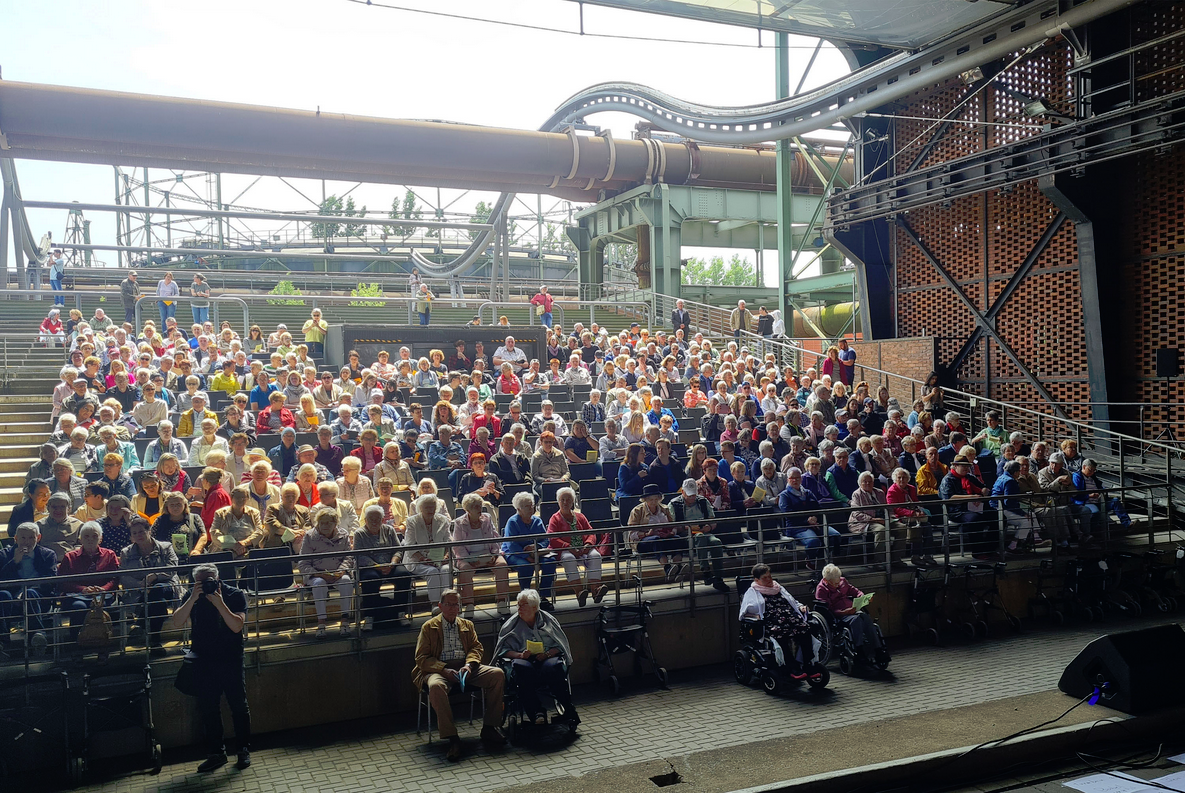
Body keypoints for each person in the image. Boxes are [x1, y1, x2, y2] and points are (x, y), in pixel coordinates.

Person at [168, 563, 251, 772]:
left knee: (238, 705)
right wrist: (193, 598)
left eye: (209, 580)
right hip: (203, 658)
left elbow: (236, 626)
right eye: (201, 582)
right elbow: (177, 621)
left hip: (231, 656)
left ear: (217, 578)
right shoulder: (191, 595)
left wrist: (220, 603)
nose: (206, 585)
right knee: (208, 708)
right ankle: (216, 753)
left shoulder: (234, 594)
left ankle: (243, 750)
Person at [412, 589, 506, 761]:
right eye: (448, 604)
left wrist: (469, 665)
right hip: (438, 670)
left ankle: (490, 727)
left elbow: (476, 648)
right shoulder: (429, 627)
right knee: (436, 686)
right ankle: (452, 738)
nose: (452, 608)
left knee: (497, 674)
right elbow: (421, 658)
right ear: (440, 606)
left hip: (465, 668)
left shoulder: (467, 625)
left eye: (456, 604)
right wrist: (443, 669)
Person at [493, 588, 580, 728]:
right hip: (523, 659)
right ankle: (537, 711)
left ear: (534, 607)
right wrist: (520, 655)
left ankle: (569, 710)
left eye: (523, 605)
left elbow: (561, 645)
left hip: (547, 657)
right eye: (518, 605)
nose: (519, 608)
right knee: (521, 668)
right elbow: (503, 650)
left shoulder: (548, 620)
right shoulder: (511, 625)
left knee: (554, 668)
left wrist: (547, 654)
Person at [120, 518, 181, 653]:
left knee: (157, 589)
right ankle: (155, 641)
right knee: (158, 601)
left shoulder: (166, 547)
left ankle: (140, 623)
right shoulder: (126, 553)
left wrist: (155, 576)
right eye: (134, 533)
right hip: (140, 592)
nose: (138, 535)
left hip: (167, 586)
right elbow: (123, 577)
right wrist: (140, 584)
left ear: (149, 531)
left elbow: (172, 568)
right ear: (131, 536)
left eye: (141, 532)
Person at [739, 563, 815, 670]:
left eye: (769, 576)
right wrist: (756, 616)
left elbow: (791, 600)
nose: (769, 579)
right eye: (764, 578)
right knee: (779, 632)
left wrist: (800, 607)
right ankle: (790, 664)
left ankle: (807, 662)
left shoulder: (778, 587)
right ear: (757, 580)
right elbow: (745, 611)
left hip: (790, 618)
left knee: (805, 628)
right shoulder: (752, 592)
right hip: (772, 621)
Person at [57, 521, 120, 649]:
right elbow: (62, 582)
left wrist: (103, 589)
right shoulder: (70, 557)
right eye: (86, 536)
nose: (90, 539)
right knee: (78, 607)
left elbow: (115, 579)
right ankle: (76, 647)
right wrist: (83, 589)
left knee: (100, 608)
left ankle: (103, 649)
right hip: (76, 596)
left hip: (102, 596)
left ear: (100, 538)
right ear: (80, 538)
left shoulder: (110, 555)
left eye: (94, 536)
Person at [0, 523, 58, 656]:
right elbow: (2, 579)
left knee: (30, 593)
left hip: (37, 597)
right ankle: (2, 641)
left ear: (38, 538)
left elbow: (49, 580)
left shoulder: (48, 555)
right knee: (2, 595)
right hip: (10, 598)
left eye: (31, 538)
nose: (27, 542)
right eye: (23, 538)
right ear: (15, 538)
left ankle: (37, 637)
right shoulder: (3, 555)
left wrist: (24, 593)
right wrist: (15, 562)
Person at [451, 493, 512, 618]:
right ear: (467, 509)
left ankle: (501, 602)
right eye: (475, 507)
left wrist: (494, 555)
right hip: (467, 557)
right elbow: (457, 546)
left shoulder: (487, 518)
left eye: (480, 506)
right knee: (465, 570)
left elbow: (495, 538)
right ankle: (469, 604)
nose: (479, 509)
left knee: (502, 565)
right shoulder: (459, 523)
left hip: (489, 553)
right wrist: (469, 559)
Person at [298, 509, 356, 637]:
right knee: (319, 584)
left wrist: (341, 571)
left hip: (338, 573)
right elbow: (303, 563)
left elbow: (348, 557)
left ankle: (345, 620)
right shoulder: (309, 536)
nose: (325, 526)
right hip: (317, 574)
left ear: (335, 524)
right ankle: (321, 622)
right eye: (322, 523)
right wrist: (318, 574)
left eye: (329, 523)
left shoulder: (343, 534)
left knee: (347, 581)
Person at [814, 563, 885, 663]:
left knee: (865, 618)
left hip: (852, 609)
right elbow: (828, 609)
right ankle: (859, 650)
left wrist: (862, 597)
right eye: (835, 584)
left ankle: (878, 649)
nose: (838, 584)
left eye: (839, 581)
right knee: (856, 620)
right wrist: (843, 612)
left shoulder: (842, 581)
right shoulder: (821, 590)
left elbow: (855, 591)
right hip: (838, 615)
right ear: (826, 581)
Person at [402, 494, 453, 606]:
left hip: (440, 559)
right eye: (427, 507)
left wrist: (447, 555)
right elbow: (409, 545)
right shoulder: (412, 521)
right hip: (417, 560)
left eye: (433, 507)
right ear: (420, 508)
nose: (430, 510)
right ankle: (435, 605)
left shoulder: (443, 520)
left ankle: (448, 603)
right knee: (432, 571)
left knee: (446, 570)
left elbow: (449, 542)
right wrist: (423, 559)